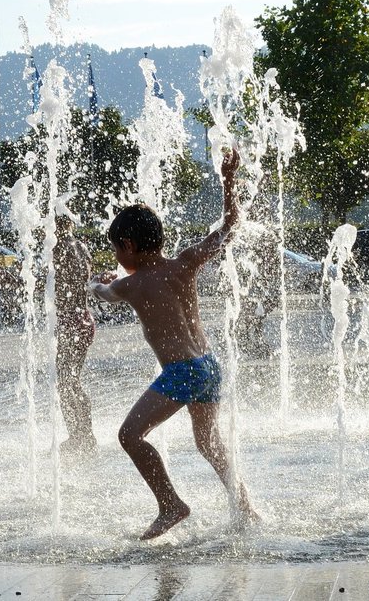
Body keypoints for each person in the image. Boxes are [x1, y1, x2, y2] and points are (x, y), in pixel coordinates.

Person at [91, 148, 257, 540]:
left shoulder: (130, 284)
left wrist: (92, 283)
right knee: (209, 442)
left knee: (130, 436)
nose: (117, 256)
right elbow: (231, 226)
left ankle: (170, 505)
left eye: (117, 249)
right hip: (209, 365)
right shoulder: (185, 262)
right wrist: (228, 181)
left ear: (128, 246)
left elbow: (106, 293)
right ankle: (246, 508)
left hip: (182, 372)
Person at [54, 215, 97, 455]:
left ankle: (78, 436)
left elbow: (54, 285)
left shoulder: (58, 249)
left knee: (65, 382)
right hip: (84, 319)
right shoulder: (82, 247)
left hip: (69, 322)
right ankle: (85, 433)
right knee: (73, 380)